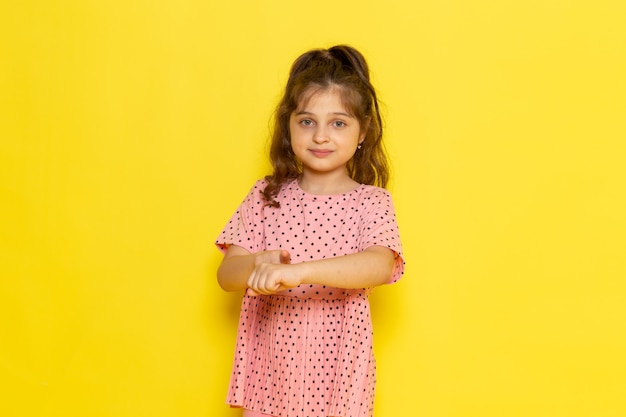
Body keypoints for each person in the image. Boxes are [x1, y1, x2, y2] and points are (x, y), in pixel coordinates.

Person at [215, 45, 405, 417]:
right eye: (307, 121)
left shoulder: (372, 201)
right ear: (289, 124)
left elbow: (379, 265)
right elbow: (226, 275)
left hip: (339, 372)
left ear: (362, 131)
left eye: (338, 123)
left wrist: (298, 272)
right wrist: (258, 263)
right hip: (271, 373)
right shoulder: (264, 196)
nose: (321, 136)